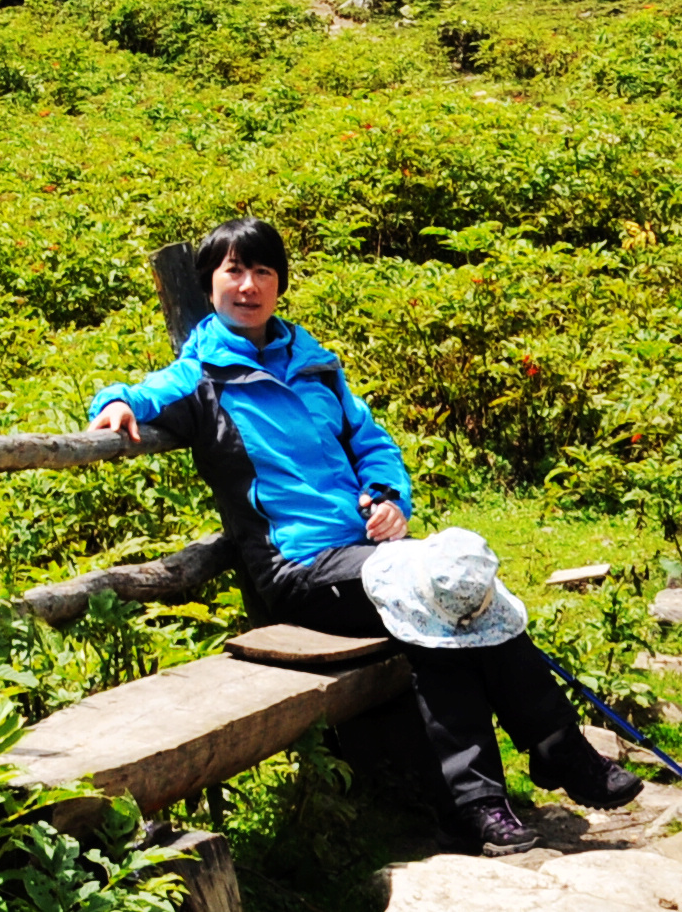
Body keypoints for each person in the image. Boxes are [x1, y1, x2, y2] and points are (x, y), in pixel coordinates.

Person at [86, 217, 638, 853]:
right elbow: (140, 393)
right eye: (233, 271)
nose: (249, 285)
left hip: (371, 556)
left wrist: (388, 498)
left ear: (279, 282)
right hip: (298, 569)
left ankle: (531, 773)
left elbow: (372, 443)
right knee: (429, 601)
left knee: (465, 581)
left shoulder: (315, 365)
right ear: (209, 285)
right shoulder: (200, 376)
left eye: (263, 271)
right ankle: (503, 789)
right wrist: (116, 402)